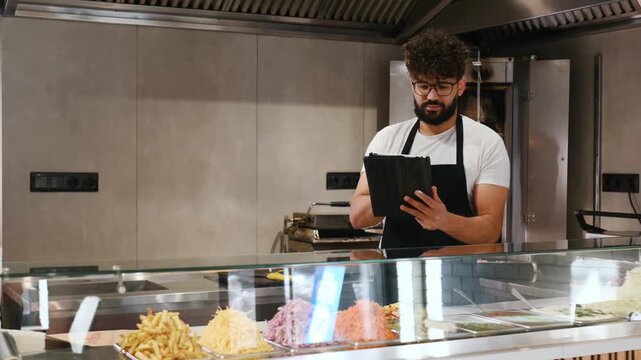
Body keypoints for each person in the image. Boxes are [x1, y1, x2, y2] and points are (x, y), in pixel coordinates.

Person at [349, 29, 510, 249]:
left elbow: (491, 230)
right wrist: (392, 194)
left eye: (443, 86)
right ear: (411, 83)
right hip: (397, 275)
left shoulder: (487, 143)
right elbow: (357, 219)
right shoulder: (387, 139)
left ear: (460, 86)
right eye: (423, 86)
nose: (432, 96)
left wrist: (445, 221)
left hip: (461, 279)